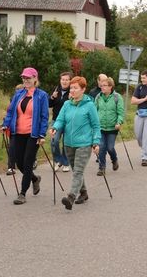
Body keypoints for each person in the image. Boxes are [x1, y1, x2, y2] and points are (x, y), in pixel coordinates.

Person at [0, 67, 49, 205]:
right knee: (18, 162)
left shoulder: (41, 95)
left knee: (27, 163)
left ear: (35, 79)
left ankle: (22, 193)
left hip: (33, 134)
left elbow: (44, 117)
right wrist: (5, 124)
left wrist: (42, 134)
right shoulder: (18, 94)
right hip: (17, 133)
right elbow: (10, 112)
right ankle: (34, 179)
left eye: (28, 78)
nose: (25, 80)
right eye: (24, 78)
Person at [52, 76, 101, 210]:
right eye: (71, 88)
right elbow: (61, 119)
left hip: (84, 143)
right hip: (68, 143)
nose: (72, 90)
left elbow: (96, 125)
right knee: (75, 170)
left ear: (83, 89)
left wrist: (96, 142)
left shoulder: (89, 105)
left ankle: (71, 197)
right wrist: (55, 127)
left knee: (78, 171)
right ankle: (84, 193)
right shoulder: (67, 104)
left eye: (75, 88)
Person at [94, 77, 125, 177]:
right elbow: (94, 111)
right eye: (101, 86)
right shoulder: (98, 97)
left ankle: (114, 159)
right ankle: (101, 167)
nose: (102, 87)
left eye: (104, 86)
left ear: (110, 87)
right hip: (100, 127)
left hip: (113, 127)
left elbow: (121, 112)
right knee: (102, 147)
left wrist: (119, 122)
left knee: (110, 148)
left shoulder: (117, 97)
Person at [49, 72, 73, 172]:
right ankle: (58, 160)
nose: (64, 81)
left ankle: (66, 163)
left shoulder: (73, 91)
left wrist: (72, 99)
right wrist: (52, 97)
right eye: (62, 79)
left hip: (68, 121)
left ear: (70, 81)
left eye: (66, 79)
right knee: (54, 141)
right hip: (56, 120)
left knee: (65, 143)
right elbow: (49, 105)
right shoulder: (56, 90)